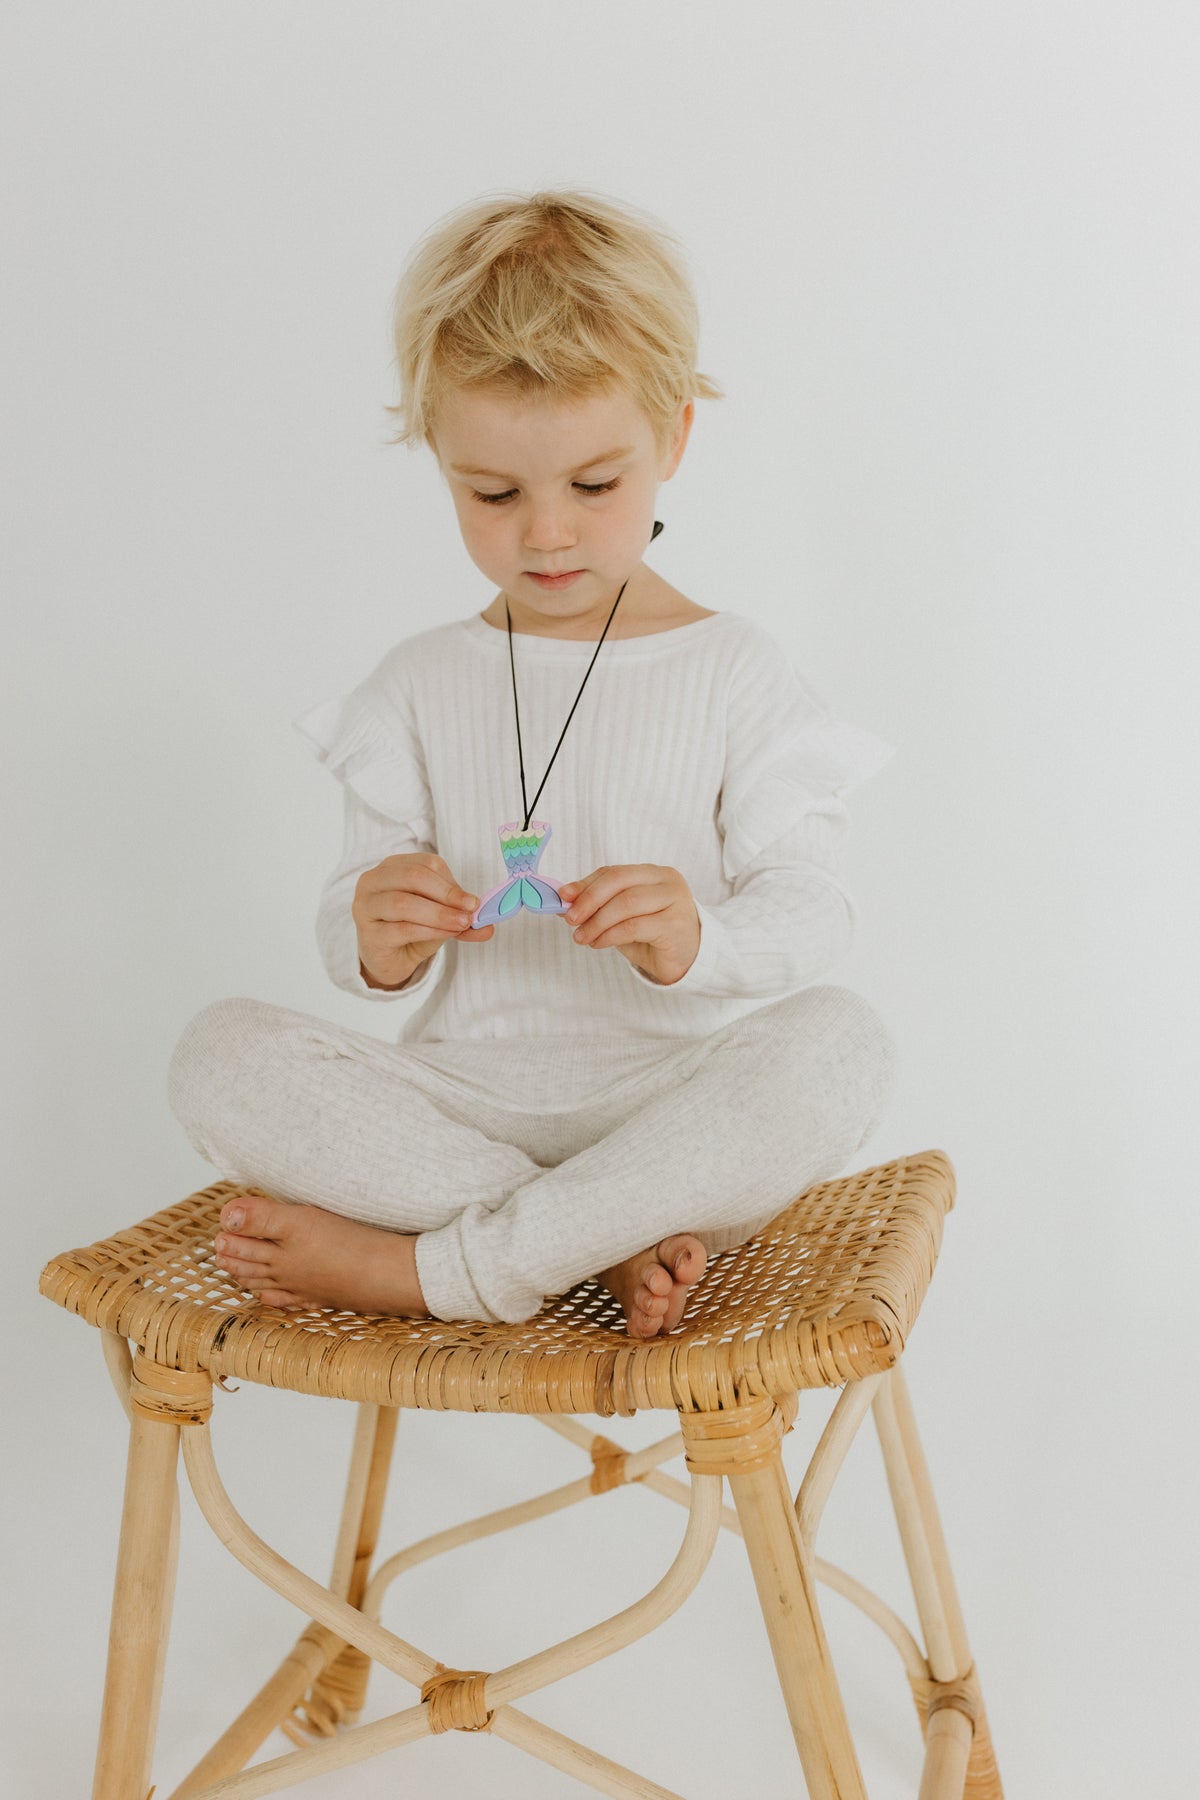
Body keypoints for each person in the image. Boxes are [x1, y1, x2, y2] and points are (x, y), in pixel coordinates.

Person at [167, 188, 898, 1338]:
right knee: (218, 1055)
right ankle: (589, 1248)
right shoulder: (412, 682)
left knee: (842, 1046)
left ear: (673, 439)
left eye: (594, 486)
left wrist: (699, 938)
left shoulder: (737, 670)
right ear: (438, 455)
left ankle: (433, 1272)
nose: (546, 533)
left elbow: (813, 910)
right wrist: (375, 931)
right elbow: (347, 941)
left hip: (662, 1114)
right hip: (454, 1104)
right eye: (493, 494)